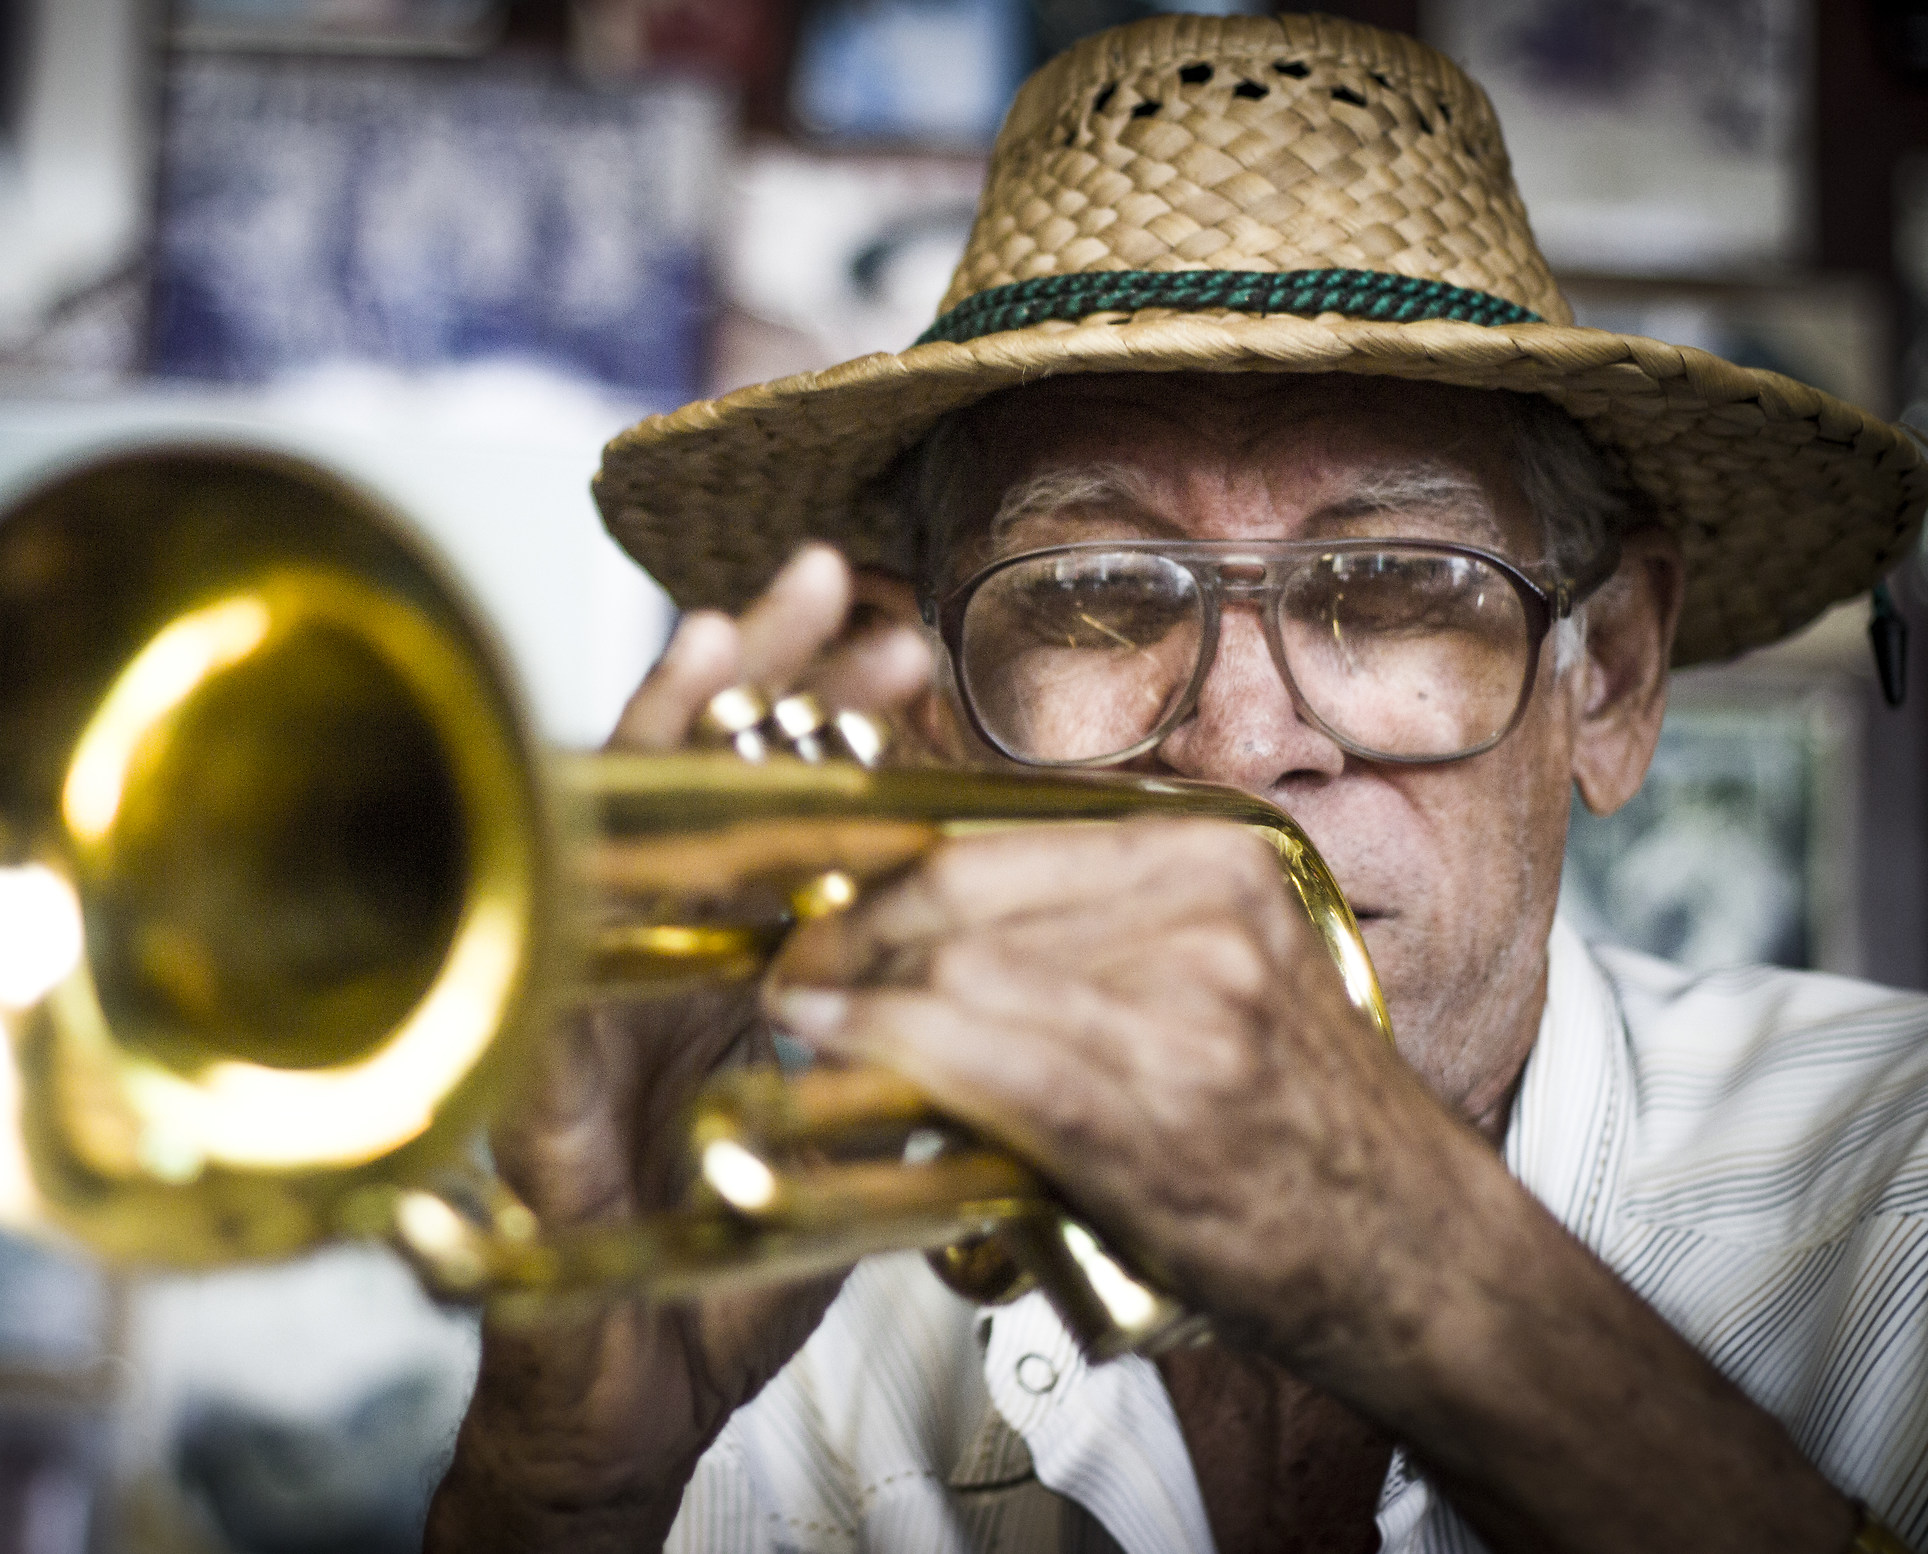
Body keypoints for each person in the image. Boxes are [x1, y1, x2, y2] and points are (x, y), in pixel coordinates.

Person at [427, 15, 1928, 1553]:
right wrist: (562, 1492)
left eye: (1399, 579)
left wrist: (1412, 1268)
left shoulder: (1905, 1197)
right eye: (1087, 593)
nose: (1233, 745)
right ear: (930, 711)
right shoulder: (781, 1305)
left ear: (1605, 678)